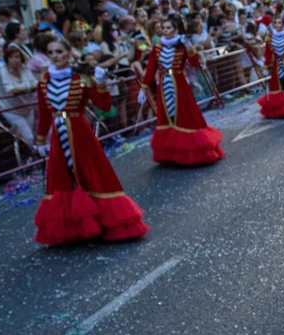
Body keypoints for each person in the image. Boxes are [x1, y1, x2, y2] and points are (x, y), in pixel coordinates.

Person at [31, 38, 148, 246]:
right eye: (51, 52)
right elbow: (44, 114)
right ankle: (75, 228)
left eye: (59, 51)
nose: (55, 56)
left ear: (69, 53)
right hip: (59, 137)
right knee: (65, 180)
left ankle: (105, 223)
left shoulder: (81, 78)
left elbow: (104, 106)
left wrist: (101, 83)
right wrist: (40, 139)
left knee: (93, 177)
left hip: (80, 134)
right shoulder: (44, 80)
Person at [136, 16, 224, 166]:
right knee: (168, 117)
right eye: (163, 28)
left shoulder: (183, 46)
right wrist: (143, 88)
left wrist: (189, 47)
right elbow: (151, 68)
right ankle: (171, 155)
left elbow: (195, 63)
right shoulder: (157, 47)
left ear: (176, 30)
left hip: (179, 84)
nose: (165, 31)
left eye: (168, 28)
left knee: (185, 117)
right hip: (164, 84)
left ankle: (193, 153)